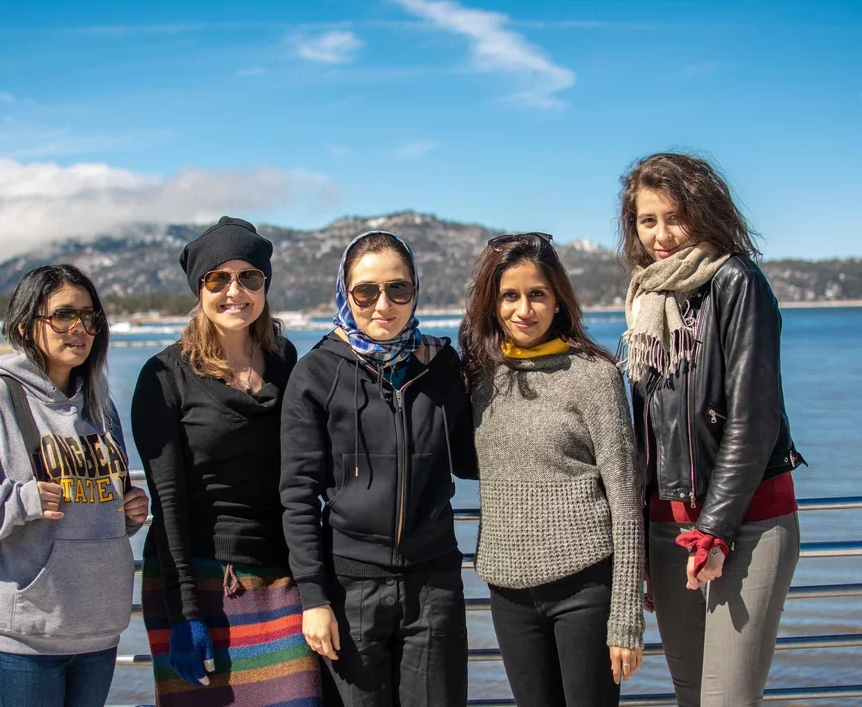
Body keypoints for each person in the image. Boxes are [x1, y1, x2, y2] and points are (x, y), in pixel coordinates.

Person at [0, 264, 148, 707]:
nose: (80, 328)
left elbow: (87, 499)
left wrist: (126, 512)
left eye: (90, 317)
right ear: (24, 326)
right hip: (23, 637)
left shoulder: (100, 403)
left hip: (98, 628)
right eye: (63, 316)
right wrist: (17, 502)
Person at [617, 153, 804, 707]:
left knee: (727, 700)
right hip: (667, 529)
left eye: (675, 217)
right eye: (647, 221)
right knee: (692, 696)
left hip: (746, 525)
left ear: (705, 212)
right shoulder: (646, 297)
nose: (662, 234)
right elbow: (648, 431)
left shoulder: (736, 281)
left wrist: (715, 530)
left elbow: (755, 417)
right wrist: (644, 544)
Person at [280, 231, 478, 707]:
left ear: (416, 292)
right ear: (345, 294)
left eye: (398, 289)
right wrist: (313, 599)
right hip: (351, 589)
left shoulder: (440, 364)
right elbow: (298, 495)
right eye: (365, 291)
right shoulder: (317, 373)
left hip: (434, 581)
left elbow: (475, 457)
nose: (382, 304)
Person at [132, 217, 320, 706]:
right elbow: (167, 501)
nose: (235, 291)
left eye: (249, 277)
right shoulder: (164, 376)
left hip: (281, 577)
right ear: (200, 289)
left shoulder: (286, 360)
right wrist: (185, 613)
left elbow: (302, 469)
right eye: (219, 278)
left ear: (265, 285)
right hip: (199, 579)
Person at [458, 233, 645, 707]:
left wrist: (625, 615)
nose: (524, 309)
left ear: (558, 298)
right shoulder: (480, 376)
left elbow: (626, 500)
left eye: (537, 294)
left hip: (585, 588)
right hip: (508, 593)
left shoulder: (594, 376)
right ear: (492, 303)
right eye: (510, 296)